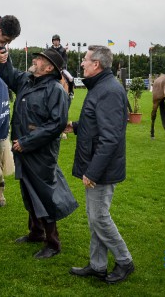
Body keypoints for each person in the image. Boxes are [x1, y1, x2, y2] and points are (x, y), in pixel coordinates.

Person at [0, 48, 78, 259]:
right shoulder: (27, 80)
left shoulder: (55, 90)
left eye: (40, 59)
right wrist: (1, 54)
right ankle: (36, 232)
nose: (35, 60)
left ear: (49, 68)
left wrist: (27, 142)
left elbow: (56, 124)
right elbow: (8, 74)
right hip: (23, 148)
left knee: (44, 195)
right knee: (29, 191)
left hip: (40, 152)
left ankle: (53, 242)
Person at [67, 45, 135, 284]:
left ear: (96, 64)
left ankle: (125, 261)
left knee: (99, 217)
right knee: (95, 215)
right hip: (97, 165)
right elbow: (97, 124)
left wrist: (93, 172)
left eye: (85, 60)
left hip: (101, 169)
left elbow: (110, 137)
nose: (82, 63)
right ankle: (98, 265)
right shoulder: (101, 87)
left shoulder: (109, 90)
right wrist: (75, 126)